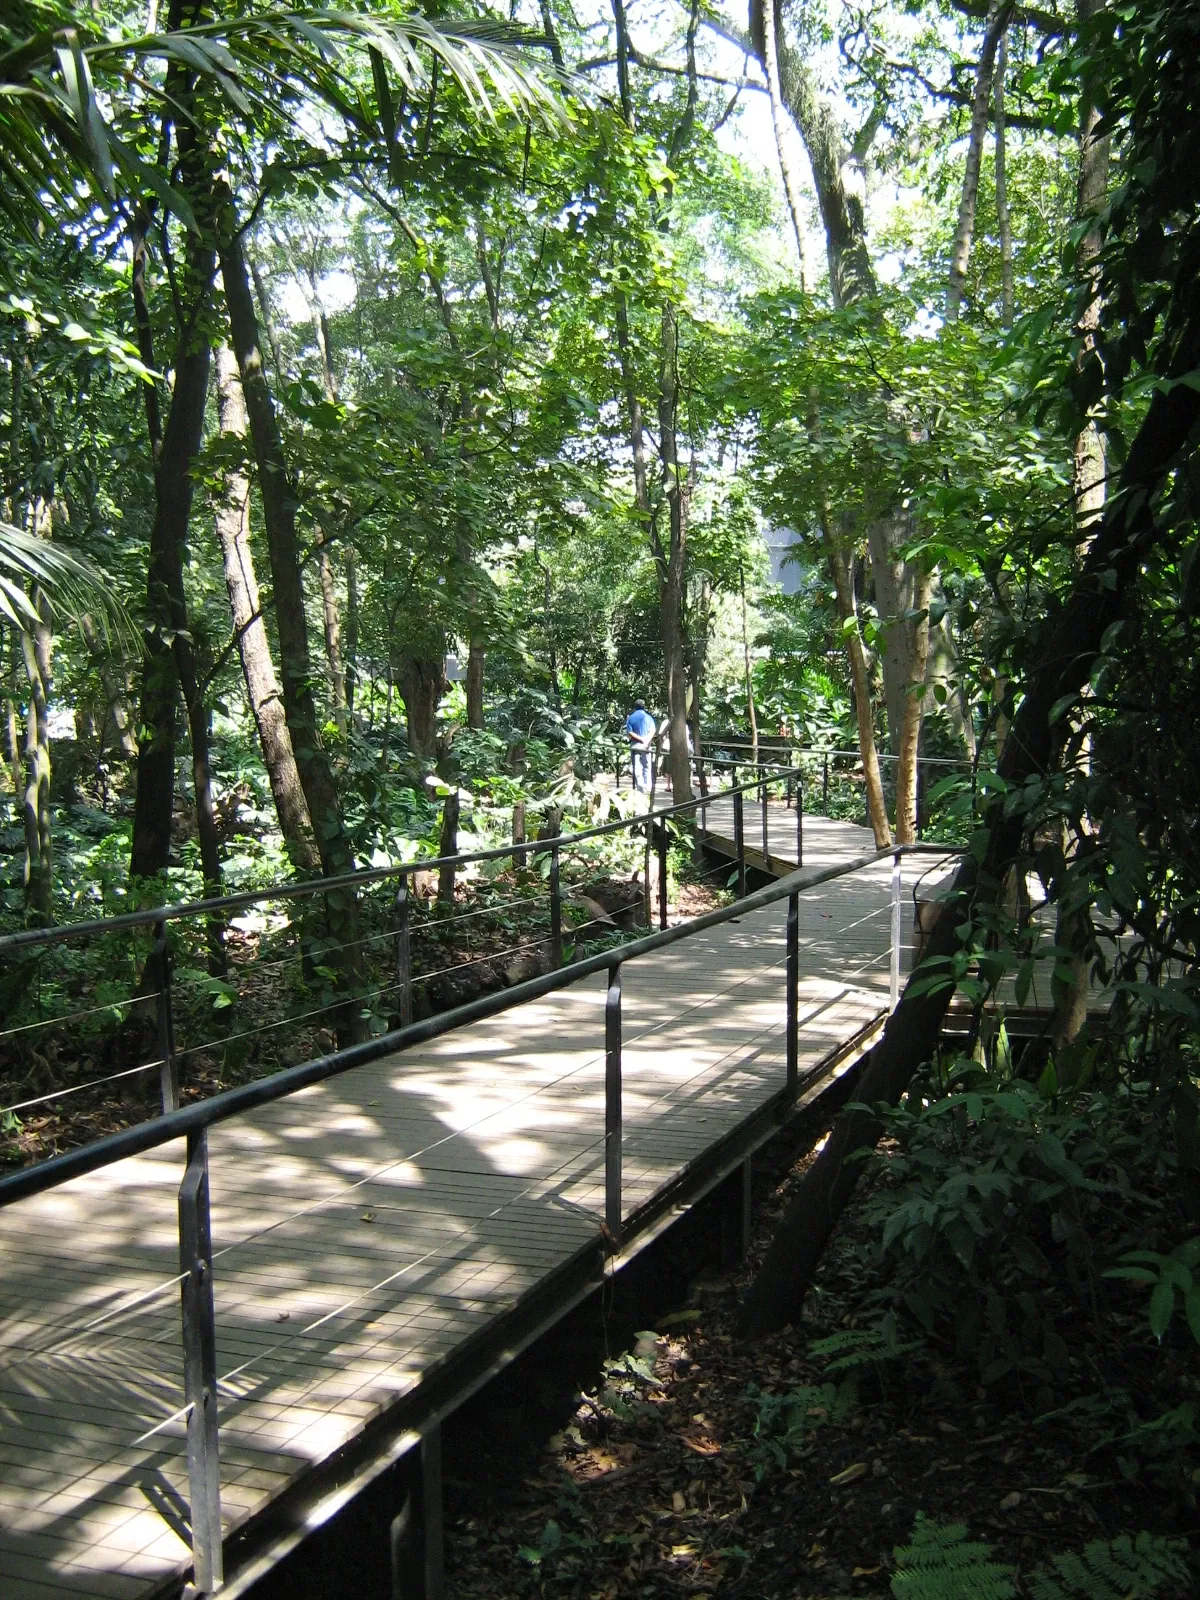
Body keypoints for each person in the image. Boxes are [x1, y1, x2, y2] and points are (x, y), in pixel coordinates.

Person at [624, 699, 656, 792]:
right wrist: (646, 740)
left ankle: (640, 786)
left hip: (635, 745)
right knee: (647, 765)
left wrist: (640, 739)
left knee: (637, 766)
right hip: (646, 746)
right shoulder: (648, 717)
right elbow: (653, 730)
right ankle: (648, 786)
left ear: (635, 706)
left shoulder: (631, 718)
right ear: (644, 706)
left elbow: (630, 732)